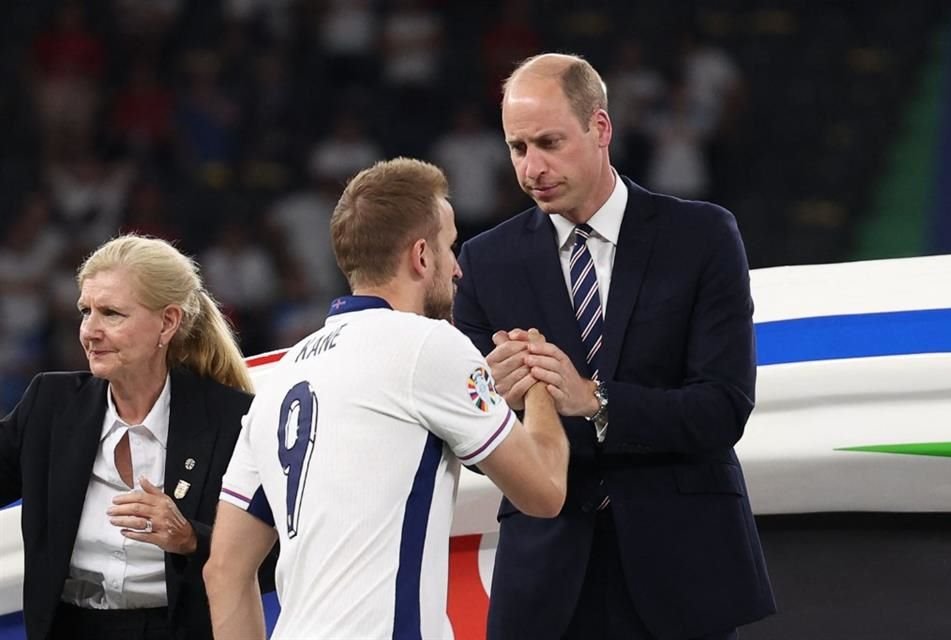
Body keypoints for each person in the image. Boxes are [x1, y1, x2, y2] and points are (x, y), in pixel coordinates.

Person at [453, 53, 776, 639]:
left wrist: (596, 400)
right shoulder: (483, 262)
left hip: (681, 570)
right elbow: (478, 440)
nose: (532, 169)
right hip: (546, 582)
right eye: (518, 148)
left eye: (549, 142)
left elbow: (723, 407)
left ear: (600, 128)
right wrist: (489, 400)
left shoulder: (701, 236)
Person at [203, 157, 569, 640]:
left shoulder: (283, 376)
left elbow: (224, 571)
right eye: (450, 246)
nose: (457, 268)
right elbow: (544, 491)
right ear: (421, 255)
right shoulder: (427, 344)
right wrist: (537, 377)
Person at [0, 234, 255, 640]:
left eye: (112, 314)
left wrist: (189, 537)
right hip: (70, 628)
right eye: (86, 311)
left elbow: (275, 555)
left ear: (168, 322)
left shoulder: (231, 418)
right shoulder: (49, 403)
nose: (90, 331)